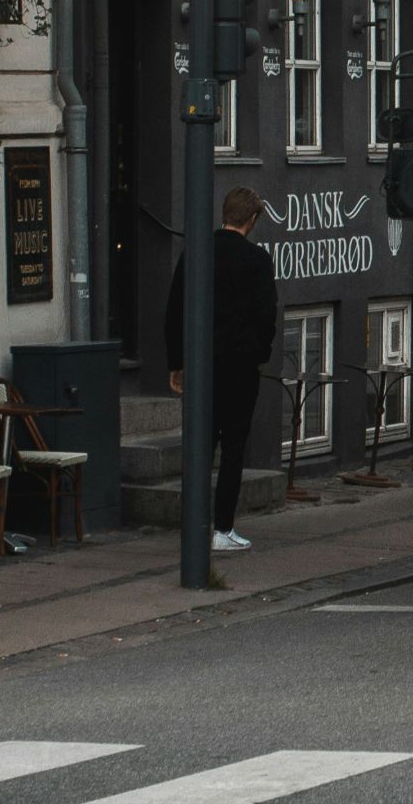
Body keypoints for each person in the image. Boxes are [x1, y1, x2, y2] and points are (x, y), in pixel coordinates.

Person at [165, 186, 278, 553]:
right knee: (232, 448)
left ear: (225, 214)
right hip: (240, 366)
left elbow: (174, 309)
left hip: (202, 363)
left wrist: (176, 362)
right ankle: (222, 527)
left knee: (200, 443)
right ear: (253, 219)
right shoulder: (257, 260)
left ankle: (193, 521)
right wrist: (258, 353)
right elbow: (266, 316)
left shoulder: (197, 253)